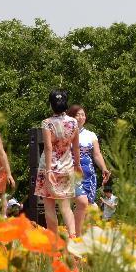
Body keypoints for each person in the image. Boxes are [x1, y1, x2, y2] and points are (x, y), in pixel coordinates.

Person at [34, 90, 82, 236]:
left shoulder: (47, 123)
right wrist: (77, 164)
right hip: (66, 167)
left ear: (51, 105)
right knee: (65, 207)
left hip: (47, 168)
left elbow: (48, 147)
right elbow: (76, 146)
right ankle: (73, 238)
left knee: (49, 206)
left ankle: (53, 242)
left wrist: (48, 170)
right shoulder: (74, 122)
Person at [68, 105, 111, 234]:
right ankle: (75, 234)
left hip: (89, 173)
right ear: (71, 117)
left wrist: (104, 168)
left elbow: (97, 154)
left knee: (86, 205)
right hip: (72, 171)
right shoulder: (66, 133)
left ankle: (80, 234)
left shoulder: (91, 135)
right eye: (78, 114)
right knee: (82, 202)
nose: (81, 117)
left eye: (83, 114)